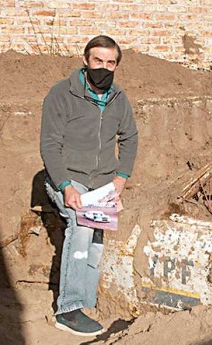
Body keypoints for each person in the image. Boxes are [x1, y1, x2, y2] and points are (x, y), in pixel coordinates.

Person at [40, 35, 138, 337]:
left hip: (103, 183)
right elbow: (49, 144)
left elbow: (130, 138)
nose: (104, 68)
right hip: (69, 177)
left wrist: (121, 179)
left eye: (111, 63)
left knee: (96, 240)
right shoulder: (61, 94)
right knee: (80, 228)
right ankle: (67, 309)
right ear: (86, 60)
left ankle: (85, 301)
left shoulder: (118, 98)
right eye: (98, 61)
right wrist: (66, 187)